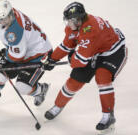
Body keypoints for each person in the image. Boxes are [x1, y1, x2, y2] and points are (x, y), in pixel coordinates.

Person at [42, 1, 127, 132]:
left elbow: (80, 60)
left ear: (79, 19)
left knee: (102, 78)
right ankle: (57, 106)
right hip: (93, 51)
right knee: (74, 82)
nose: (69, 24)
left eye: (71, 20)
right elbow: (67, 44)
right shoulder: (75, 26)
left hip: (112, 52)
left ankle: (108, 116)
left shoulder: (91, 30)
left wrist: (71, 58)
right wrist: (52, 58)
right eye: (68, 21)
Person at [0, 0, 52, 111]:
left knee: (22, 87)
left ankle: (41, 89)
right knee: (1, 75)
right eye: (0, 21)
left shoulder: (15, 31)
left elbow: (17, 56)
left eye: (4, 19)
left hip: (38, 56)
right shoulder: (4, 12)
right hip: (22, 50)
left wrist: (3, 56)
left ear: (11, 14)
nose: (2, 22)